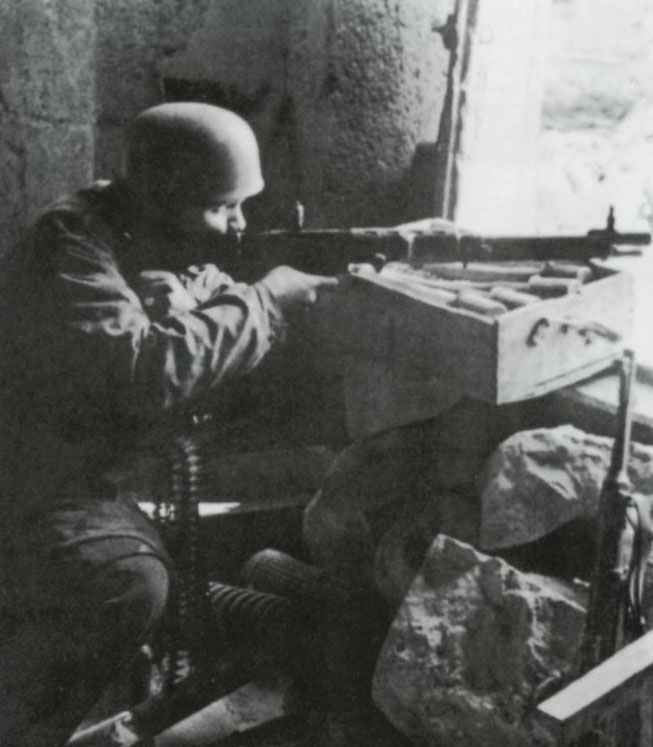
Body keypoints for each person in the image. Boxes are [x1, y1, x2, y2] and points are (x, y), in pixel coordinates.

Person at [0, 102, 338, 746]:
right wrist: (262, 303)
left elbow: (187, 295)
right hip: (29, 481)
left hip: (90, 474)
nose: (238, 226)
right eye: (222, 207)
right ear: (161, 195)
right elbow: (141, 373)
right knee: (129, 584)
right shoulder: (71, 242)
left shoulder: (145, 232)